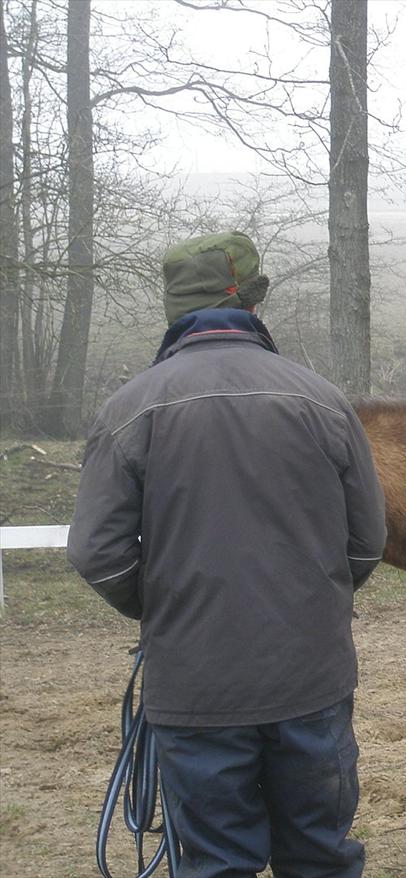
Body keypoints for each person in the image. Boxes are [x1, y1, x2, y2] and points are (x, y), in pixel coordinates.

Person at [68, 231, 387, 878]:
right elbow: (366, 542)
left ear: (174, 311)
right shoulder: (321, 400)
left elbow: (98, 554)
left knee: (216, 864)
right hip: (312, 683)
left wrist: (170, 609)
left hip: (195, 688)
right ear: (250, 306)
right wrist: (310, 599)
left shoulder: (129, 411)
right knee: (320, 858)